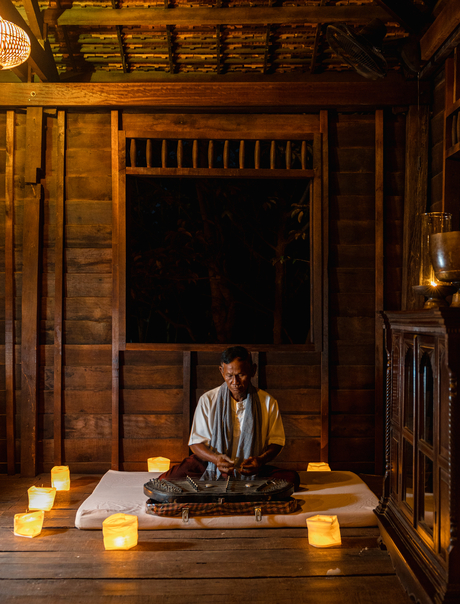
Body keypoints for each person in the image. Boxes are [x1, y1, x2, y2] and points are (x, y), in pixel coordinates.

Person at [159, 345, 300, 491]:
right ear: (221, 371)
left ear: (253, 370)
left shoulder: (267, 402)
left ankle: (235, 485)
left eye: (241, 375)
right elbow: (195, 443)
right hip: (210, 465)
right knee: (165, 481)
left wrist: (260, 460)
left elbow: (276, 442)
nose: (235, 382)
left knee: (291, 479)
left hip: (250, 469)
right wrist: (216, 459)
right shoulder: (208, 400)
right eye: (229, 375)